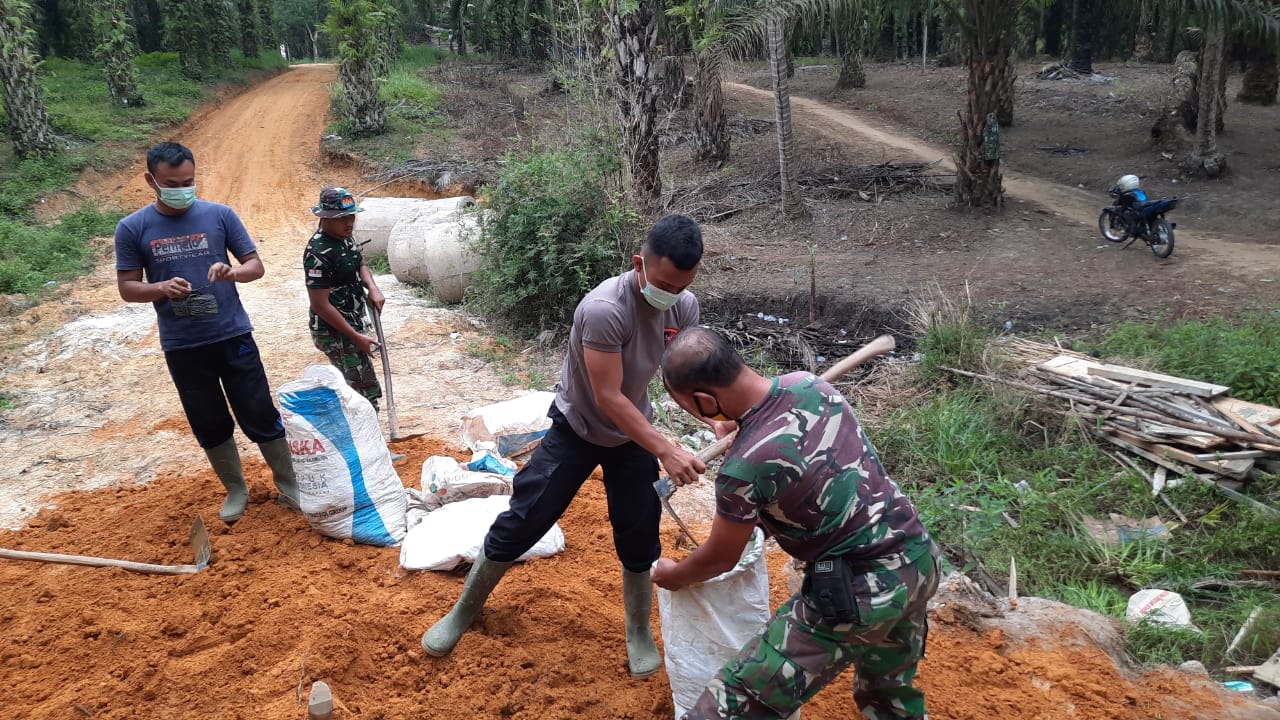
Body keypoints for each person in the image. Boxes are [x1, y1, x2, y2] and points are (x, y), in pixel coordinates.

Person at [421, 214, 716, 678]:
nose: (670, 295)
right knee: (527, 515)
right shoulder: (604, 309)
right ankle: (464, 610)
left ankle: (637, 629)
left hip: (633, 433)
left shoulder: (684, 307)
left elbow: (680, 377)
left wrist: (711, 417)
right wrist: (666, 449)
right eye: (662, 284)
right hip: (578, 428)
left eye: (681, 286)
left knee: (639, 528)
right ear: (639, 264)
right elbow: (608, 397)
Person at [652, 327, 941, 720]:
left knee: (730, 705)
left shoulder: (742, 472)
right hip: (918, 560)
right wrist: (739, 434)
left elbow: (720, 558)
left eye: (688, 406)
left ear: (705, 401)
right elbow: (792, 464)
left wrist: (676, 573)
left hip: (862, 590)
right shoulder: (809, 385)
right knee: (888, 694)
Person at [114, 141, 298, 525]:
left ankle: (288, 482)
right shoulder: (133, 228)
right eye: (172, 182)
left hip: (232, 334)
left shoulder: (220, 215)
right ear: (151, 180)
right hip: (183, 344)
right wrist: (161, 288)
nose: (183, 188)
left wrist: (233, 272)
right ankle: (236, 489)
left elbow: (255, 265)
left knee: (259, 410)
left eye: (189, 180)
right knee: (208, 419)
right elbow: (128, 288)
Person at [303, 186, 385, 411]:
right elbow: (319, 304)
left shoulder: (345, 238)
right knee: (361, 392)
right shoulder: (318, 252)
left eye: (352, 216)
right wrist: (355, 336)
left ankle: (365, 437)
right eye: (342, 218)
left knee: (360, 387)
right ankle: (364, 441)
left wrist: (372, 287)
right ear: (325, 218)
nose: (349, 222)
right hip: (333, 330)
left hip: (351, 323)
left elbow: (359, 262)